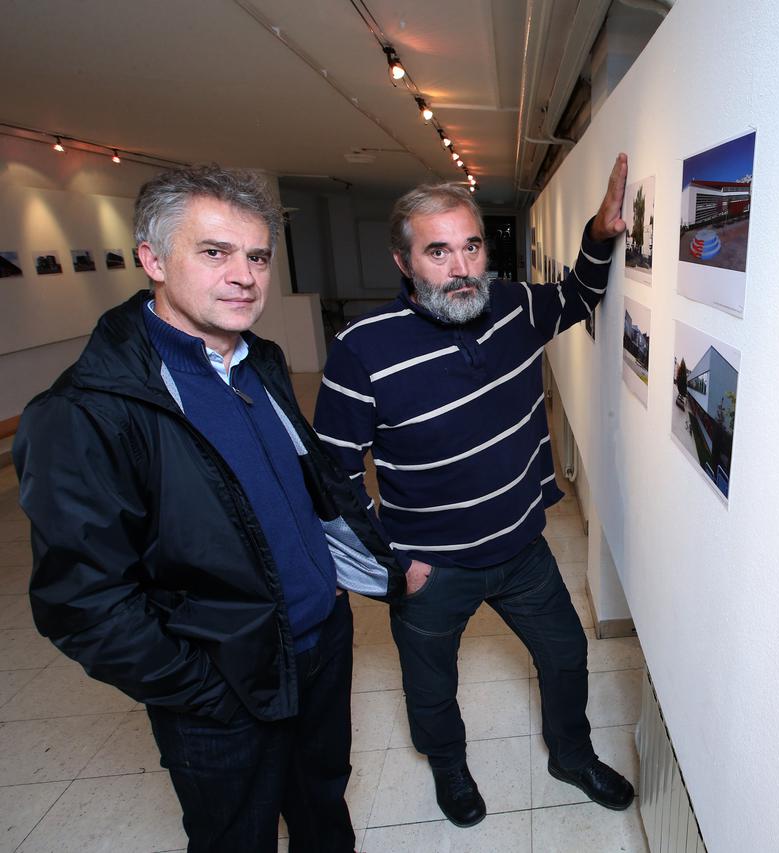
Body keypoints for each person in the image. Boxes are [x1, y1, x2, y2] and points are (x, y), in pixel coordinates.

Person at [14, 166, 404, 853]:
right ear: (152, 259)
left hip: (320, 651)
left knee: (322, 811)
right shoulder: (86, 412)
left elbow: (315, 488)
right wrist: (203, 689)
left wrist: (380, 567)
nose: (245, 276)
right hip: (222, 688)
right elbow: (80, 602)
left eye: (256, 256)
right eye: (215, 252)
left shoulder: (264, 361)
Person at [313, 154, 632, 827]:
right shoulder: (361, 349)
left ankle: (570, 754)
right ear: (405, 263)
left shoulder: (513, 306)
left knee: (566, 652)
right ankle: (450, 766)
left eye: (471, 246)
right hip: (433, 564)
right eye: (438, 251)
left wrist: (599, 237)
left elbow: (578, 294)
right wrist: (393, 564)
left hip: (520, 548)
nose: (460, 267)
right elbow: (330, 473)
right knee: (431, 682)